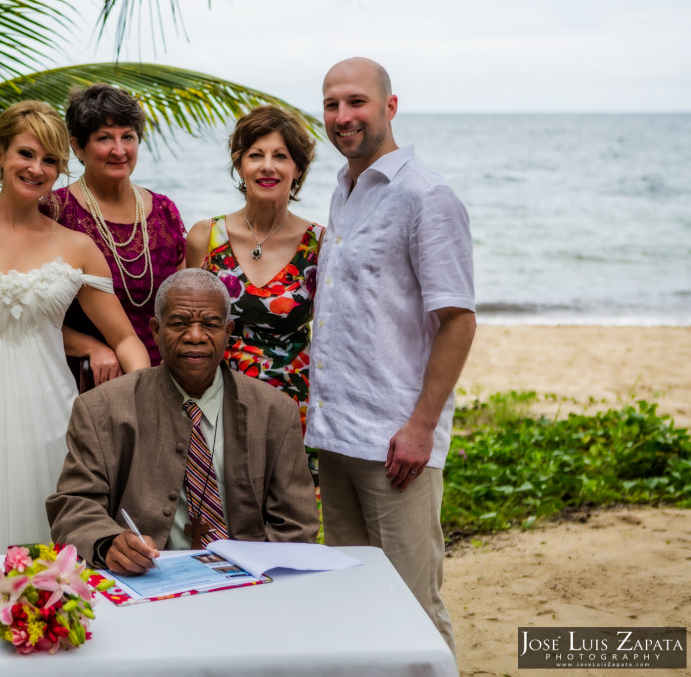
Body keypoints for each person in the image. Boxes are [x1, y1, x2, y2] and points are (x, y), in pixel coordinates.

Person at [0, 101, 150, 584]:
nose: (37, 169)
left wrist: (146, 406)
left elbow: (124, 336)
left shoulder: (78, 247)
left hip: (55, 429)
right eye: (26, 153)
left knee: (56, 569)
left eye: (51, 160)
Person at [306, 58, 476, 654]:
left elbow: (457, 320)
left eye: (357, 102)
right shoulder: (344, 190)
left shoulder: (426, 196)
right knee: (355, 598)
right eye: (332, 104)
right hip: (337, 436)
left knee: (413, 606)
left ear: (390, 107)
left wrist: (422, 426)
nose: (343, 116)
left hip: (395, 444)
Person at [46, 269, 318, 575]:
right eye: (179, 323)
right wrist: (108, 543)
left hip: (248, 585)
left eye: (210, 324)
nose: (195, 336)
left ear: (228, 331)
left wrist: (257, 576)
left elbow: (297, 524)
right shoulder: (100, 408)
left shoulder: (274, 411)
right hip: (146, 580)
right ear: (155, 329)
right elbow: (74, 504)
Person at [185, 105, 323, 442]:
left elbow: (334, 336)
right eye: (255, 155)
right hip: (214, 401)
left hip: (294, 407)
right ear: (239, 164)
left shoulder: (319, 244)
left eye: (281, 156)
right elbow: (184, 322)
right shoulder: (206, 235)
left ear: (297, 169)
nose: (267, 166)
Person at [42, 83, 186, 389]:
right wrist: (88, 347)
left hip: (165, 375)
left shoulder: (165, 210)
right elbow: (29, 311)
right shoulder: (54, 211)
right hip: (81, 377)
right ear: (78, 147)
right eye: (104, 138)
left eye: (128, 137)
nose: (119, 150)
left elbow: (181, 303)